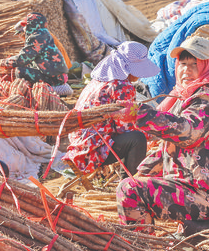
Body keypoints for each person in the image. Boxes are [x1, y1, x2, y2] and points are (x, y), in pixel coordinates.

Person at [114, 36, 209, 230]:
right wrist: (143, 172)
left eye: (194, 64)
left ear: (206, 65)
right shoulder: (184, 96)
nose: (187, 70)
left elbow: (187, 132)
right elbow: (170, 146)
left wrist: (139, 114)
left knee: (129, 190)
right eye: (182, 64)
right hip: (191, 185)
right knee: (132, 183)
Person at [63, 41, 159, 176]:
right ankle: (131, 184)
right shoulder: (122, 86)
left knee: (134, 136)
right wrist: (155, 133)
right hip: (92, 149)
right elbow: (124, 129)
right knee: (137, 138)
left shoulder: (99, 80)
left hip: (79, 142)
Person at [0, 12, 72, 96]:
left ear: (32, 25)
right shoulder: (43, 34)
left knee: (20, 71)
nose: (24, 29)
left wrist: (5, 62)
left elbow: (22, 59)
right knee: (27, 67)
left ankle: (33, 94)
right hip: (57, 75)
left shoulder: (37, 37)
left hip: (55, 78)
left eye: (26, 26)